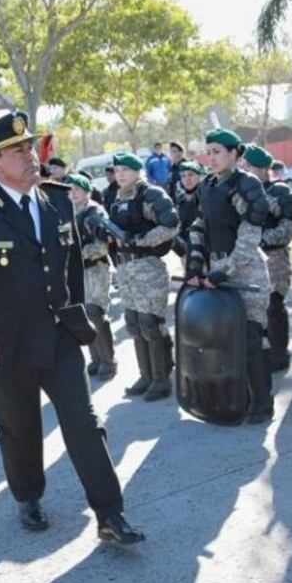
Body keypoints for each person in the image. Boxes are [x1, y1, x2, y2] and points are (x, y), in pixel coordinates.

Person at [0, 111, 143, 545]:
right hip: (5, 343)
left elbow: (66, 264)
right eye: (18, 150)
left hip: (57, 336)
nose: (30, 156)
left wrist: (75, 317)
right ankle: (28, 496)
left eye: (30, 147)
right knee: (20, 427)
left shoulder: (55, 199)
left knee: (84, 423)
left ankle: (110, 513)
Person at [186, 129, 274, 424]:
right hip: (215, 272)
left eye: (217, 152)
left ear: (235, 154)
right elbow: (200, 226)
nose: (210, 158)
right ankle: (237, 400)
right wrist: (195, 264)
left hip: (245, 271)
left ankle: (262, 404)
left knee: (251, 339)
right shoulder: (207, 185)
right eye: (208, 152)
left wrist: (225, 271)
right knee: (223, 341)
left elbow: (249, 238)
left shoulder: (245, 184)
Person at [107, 152, 179, 401]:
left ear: (138, 171)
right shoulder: (116, 199)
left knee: (150, 322)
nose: (120, 175)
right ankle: (146, 375)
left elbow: (171, 224)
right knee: (134, 322)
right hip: (125, 269)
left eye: (125, 170)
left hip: (147, 267)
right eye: (117, 171)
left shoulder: (150, 194)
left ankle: (161, 379)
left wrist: (142, 240)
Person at [242, 144, 292, 372]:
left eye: (249, 166)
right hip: (249, 259)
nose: (245, 170)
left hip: (274, 256)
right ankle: (261, 352)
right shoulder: (242, 191)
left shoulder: (280, 191)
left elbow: (290, 225)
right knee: (254, 308)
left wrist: (263, 238)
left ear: (263, 169)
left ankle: (279, 353)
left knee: (274, 306)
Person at [66, 173, 116, 380]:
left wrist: (76, 255)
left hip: (95, 268)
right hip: (78, 272)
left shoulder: (94, 211)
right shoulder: (68, 212)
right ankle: (96, 358)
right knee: (84, 315)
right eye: (70, 189)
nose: (73, 193)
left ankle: (109, 361)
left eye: (77, 189)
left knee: (96, 313)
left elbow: (103, 244)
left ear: (87, 191)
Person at [171, 160, 205, 259]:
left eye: (191, 175)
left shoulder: (206, 197)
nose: (187, 179)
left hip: (205, 250)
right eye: (183, 176)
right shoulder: (181, 198)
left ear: (199, 176)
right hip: (187, 250)